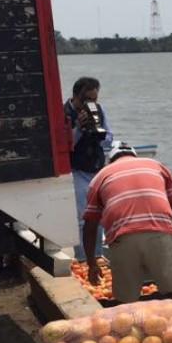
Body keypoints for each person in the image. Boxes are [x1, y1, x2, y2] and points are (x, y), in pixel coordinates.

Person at [82, 141, 172, 303]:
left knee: (126, 303)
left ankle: (131, 316)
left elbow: (90, 226)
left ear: (110, 161)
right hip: (161, 233)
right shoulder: (156, 166)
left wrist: (92, 264)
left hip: (122, 239)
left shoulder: (99, 177)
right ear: (134, 155)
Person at [64, 77, 113, 260]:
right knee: (83, 217)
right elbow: (65, 146)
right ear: (75, 96)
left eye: (94, 100)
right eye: (86, 100)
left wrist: (97, 132)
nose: (90, 104)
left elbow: (109, 137)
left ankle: (97, 256)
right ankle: (83, 258)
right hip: (76, 170)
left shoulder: (98, 110)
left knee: (100, 215)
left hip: (96, 169)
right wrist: (78, 128)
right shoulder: (64, 113)